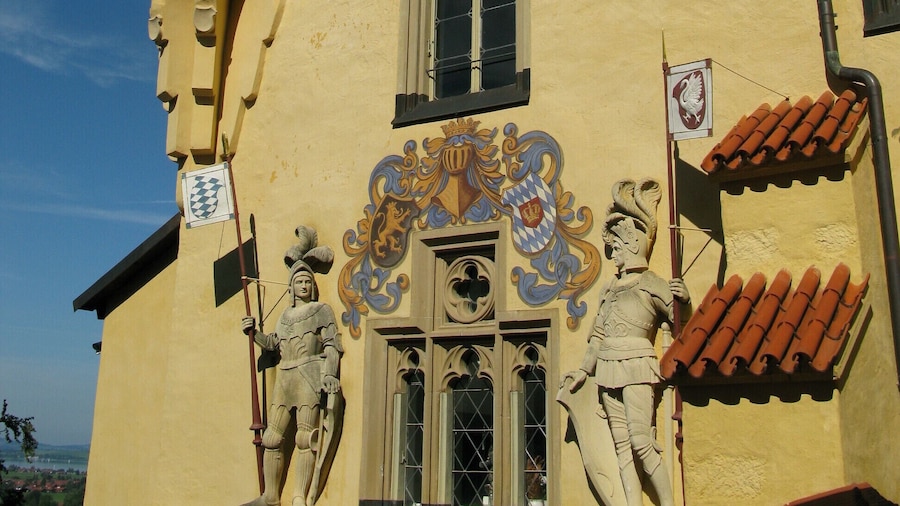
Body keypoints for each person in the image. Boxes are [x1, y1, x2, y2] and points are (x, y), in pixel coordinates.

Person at [562, 179, 689, 506]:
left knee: (642, 443)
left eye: (617, 247)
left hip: (637, 366)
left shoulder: (652, 284)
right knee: (622, 447)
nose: (613, 253)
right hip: (607, 368)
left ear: (632, 244)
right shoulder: (609, 289)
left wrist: (684, 302)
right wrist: (582, 370)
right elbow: (598, 335)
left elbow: (681, 326)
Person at [242, 226, 343, 506]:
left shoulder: (321, 311)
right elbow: (274, 344)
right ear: (292, 288)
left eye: (308, 282)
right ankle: (271, 496)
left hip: (310, 375)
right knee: (272, 438)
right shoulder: (285, 315)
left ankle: (299, 495)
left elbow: (332, 345)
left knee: (304, 438)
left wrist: (331, 375)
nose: (305, 286)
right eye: (300, 283)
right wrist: (254, 333)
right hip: (286, 379)